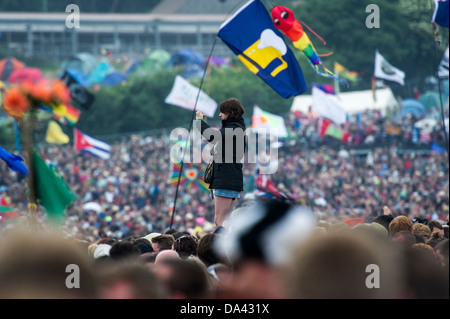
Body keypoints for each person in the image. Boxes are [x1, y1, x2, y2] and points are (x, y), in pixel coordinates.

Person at [196, 98, 246, 229]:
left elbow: (211, 136)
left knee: (220, 221)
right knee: (226, 221)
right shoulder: (237, 128)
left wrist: (199, 121)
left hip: (225, 177)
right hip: (231, 177)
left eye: (222, 112)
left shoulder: (234, 129)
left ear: (231, 112)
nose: (220, 115)